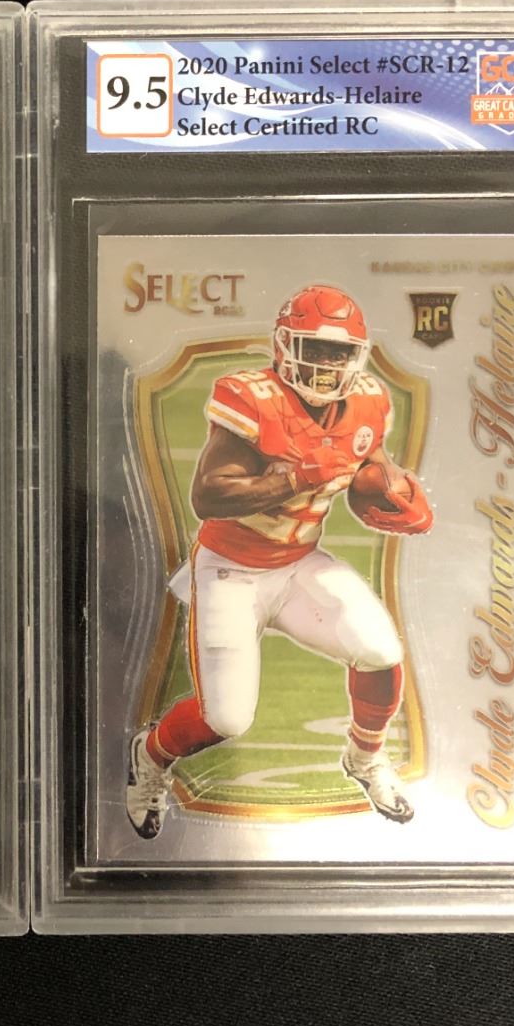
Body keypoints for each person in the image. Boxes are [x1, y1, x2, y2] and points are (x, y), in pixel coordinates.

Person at [126, 283, 433, 836]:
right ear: (286, 345)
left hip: (297, 563)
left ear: (357, 355)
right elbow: (208, 495)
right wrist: (295, 477)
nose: (327, 364)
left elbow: (369, 464)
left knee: (381, 651)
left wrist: (391, 493)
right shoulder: (252, 398)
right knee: (226, 718)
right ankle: (150, 756)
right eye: (315, 348)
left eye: (339, 352)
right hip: (231, 569)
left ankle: (364, 758)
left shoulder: (367, 399)